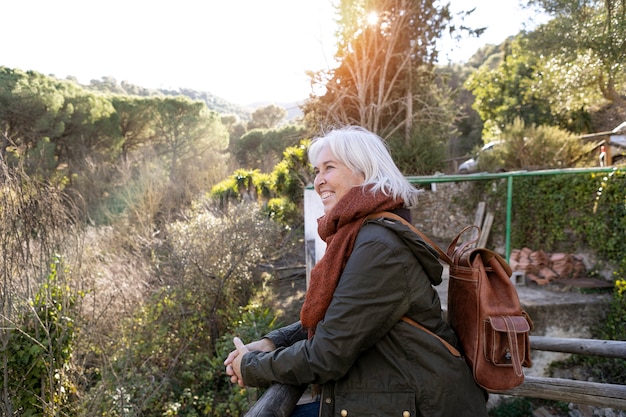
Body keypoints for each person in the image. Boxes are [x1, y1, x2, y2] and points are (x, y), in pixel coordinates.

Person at [224, 126, 488, 417]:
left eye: (329, 167)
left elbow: (326, 354)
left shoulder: (378, 247)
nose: (319, 180)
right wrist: (273, 342)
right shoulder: (359, 235)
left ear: (364, 171)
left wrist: (251, 367)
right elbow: (340, 316)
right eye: (317, 170)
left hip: (424, 405)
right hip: (392, 391)